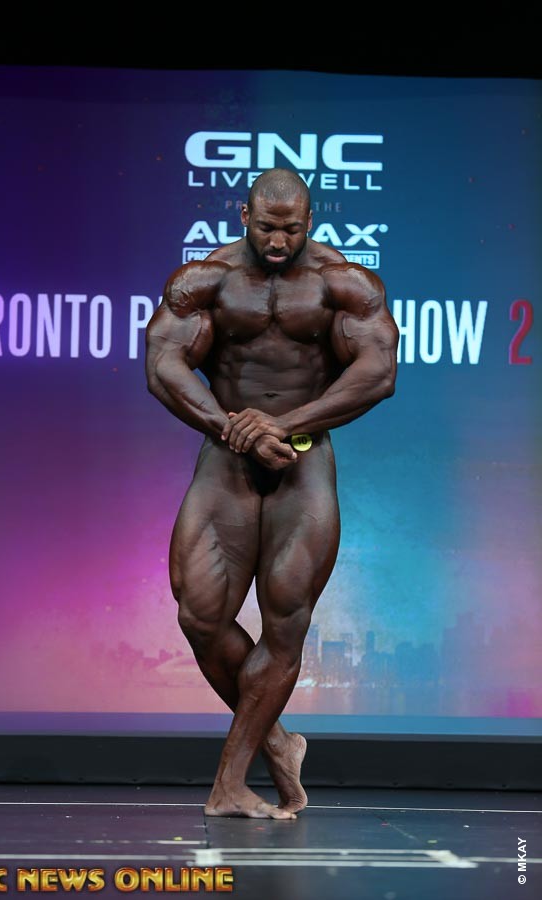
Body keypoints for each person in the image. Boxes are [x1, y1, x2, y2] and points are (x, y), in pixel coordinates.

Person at [145, 168, 399, 819]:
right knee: (199, 614)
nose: (278, 241)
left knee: (286, 621)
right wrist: (233, 428)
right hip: (227, 456)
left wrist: (282, 425)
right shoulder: (207, 280)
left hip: (303, 462)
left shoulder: (344, 284)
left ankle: (230, 783)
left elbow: (378, 373)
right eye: (266, 228)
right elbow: (163, 364)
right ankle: (278, 743)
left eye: (291, 229)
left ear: (310, 221)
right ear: (244, 216)